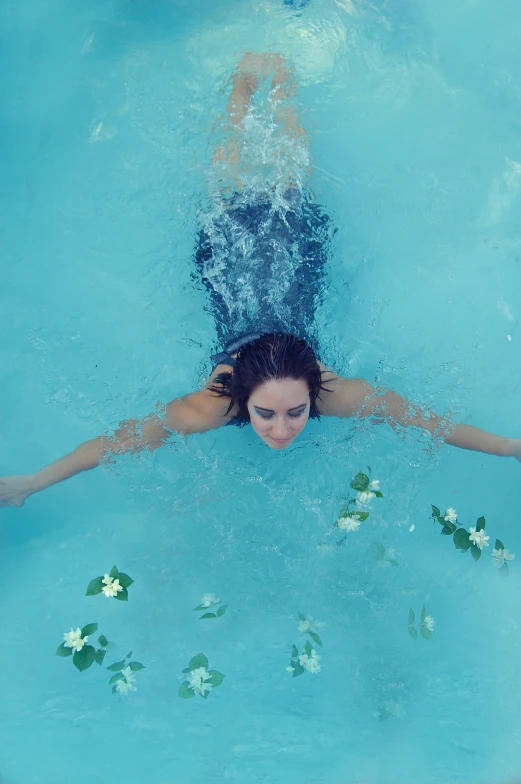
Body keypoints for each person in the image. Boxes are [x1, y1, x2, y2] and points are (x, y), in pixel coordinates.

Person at [1, 53, 519, 509]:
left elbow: (427, 422)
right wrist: (34, 481)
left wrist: (513, 448)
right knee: (286, 189)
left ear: (316, 388)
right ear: (239, 398)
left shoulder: (336, 394)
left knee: (242, 192)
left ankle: (281, 81)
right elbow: (120, 442)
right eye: (266, 414)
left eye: (294, 412)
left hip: (234, 267)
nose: (281, 429)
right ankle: (247, 85)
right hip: (291, 265)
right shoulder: (209, 406)